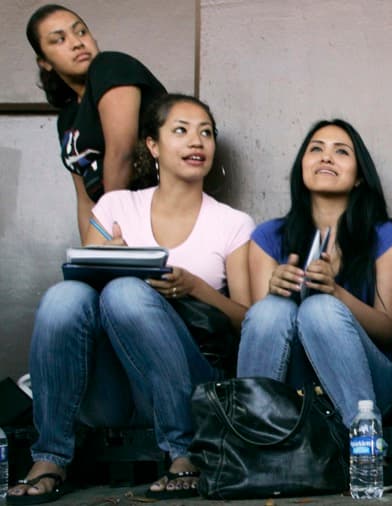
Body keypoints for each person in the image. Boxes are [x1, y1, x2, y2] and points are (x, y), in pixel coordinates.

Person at [8, 94, 254, 504]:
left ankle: (183, 452)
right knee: (63, 297)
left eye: (206, 133)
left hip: (187, 383)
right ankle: (50, 456)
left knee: (126, 291)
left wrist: (196, 287)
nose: (197, 141)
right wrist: (108, 261)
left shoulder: (232, 223)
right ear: (153, 146)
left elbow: (245, 319)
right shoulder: (117, 206)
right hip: (111, 392)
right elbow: (80, 300)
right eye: (181, 130)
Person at [236, 119, 392, 430]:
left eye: (341, 152)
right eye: (316, 149)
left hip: (366, 384)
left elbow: (389, 330)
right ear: (302, 167)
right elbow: (261, 332)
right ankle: (253, 442)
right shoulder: (268, 236)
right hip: (292, 381)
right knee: (269, 310)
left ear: (358, 177)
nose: (326, 157)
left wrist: (336, 294)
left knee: (320, 308)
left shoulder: (383, 235)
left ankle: (365, 441)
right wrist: (273, 291)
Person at [26, 4, 167, 243]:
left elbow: (121, 152)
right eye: (59, 39)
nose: (77, 42)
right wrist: (89, 255)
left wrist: (110, 230)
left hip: (152, 223)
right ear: (45, 62)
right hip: (111, 230)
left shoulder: (110, 66)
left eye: (81, 32)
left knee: (122, 283)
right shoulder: (67, 118)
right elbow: (84, 200)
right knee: (71, 283)